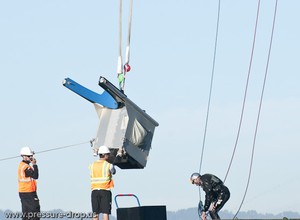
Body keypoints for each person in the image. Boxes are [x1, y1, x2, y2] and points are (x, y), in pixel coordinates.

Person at [89, 145, 116, 220]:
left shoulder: (92, 165)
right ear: (104, 155)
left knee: (95, 213)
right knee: (105, 212)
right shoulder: (108, 165)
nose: (109, 155)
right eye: (108, 154)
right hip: (105, 191)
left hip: (94, 191)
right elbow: (113, 172)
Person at [18, 146, 40, 220]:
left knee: (26, 214)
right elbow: (35, 176)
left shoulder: (22, 165)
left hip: (24, 193)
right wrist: (34, 165)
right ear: (24, 156)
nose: (31, 158)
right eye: (29, 156)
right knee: (35, 213)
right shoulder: (25, 167)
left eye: (31, 156)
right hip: (29, 193)